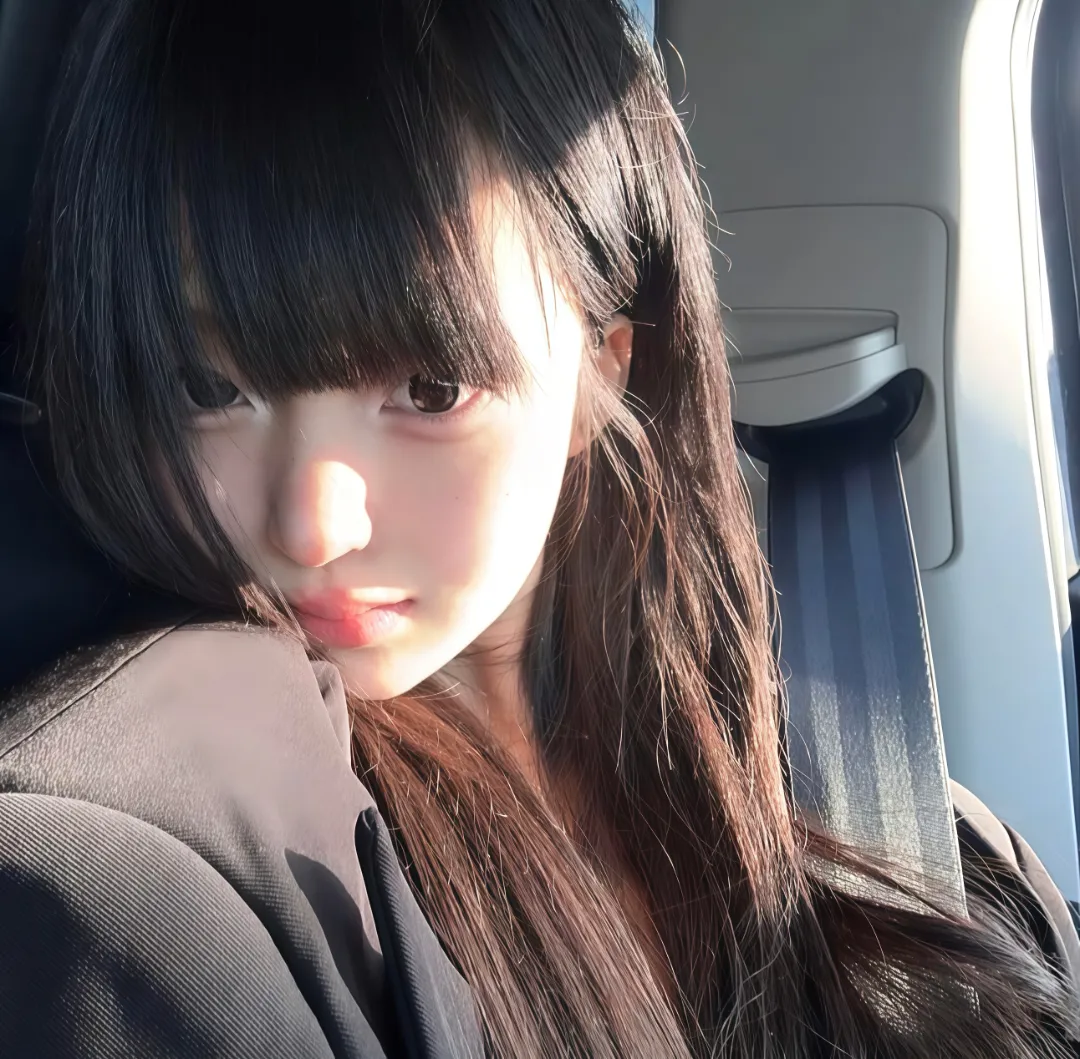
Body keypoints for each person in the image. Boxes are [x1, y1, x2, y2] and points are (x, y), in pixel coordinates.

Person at [1, 0, 1077, 1055]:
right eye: (207, 386)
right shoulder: (151, 881)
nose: (312, 526)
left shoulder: (910, 831)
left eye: (430, 388)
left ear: (604, 363)